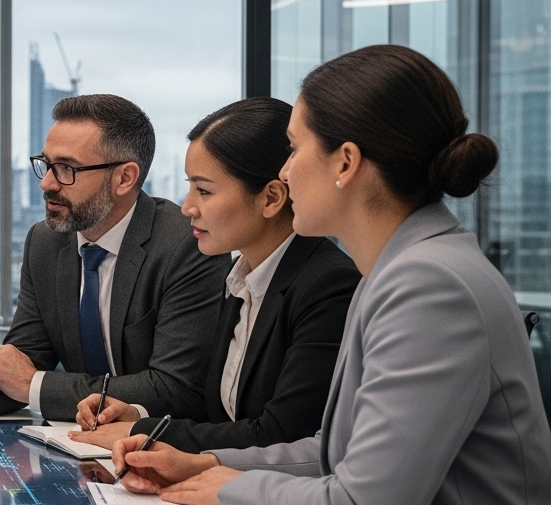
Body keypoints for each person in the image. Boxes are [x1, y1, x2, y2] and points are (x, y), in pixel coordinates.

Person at [110, 45, 551, 505]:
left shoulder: (429, 285)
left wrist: (225, 489)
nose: (286, 170)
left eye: (294, 149)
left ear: (345, 162)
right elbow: (337, 456)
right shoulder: (396, 269)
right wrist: (207, 465)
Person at [0, 94, 229, 421]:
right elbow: (22, 361)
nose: (47, 183)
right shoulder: (45, 242)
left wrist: (34, 385)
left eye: (66, 168)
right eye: (46, 164)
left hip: (165, 451)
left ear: (124, 178)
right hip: (76, 447)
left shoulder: (187, 245)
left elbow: (173, 387)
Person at [67, 97, 360, 452]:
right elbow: (215, 409)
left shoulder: (328, 285)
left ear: (271, 198)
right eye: (190, 186)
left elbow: (282, 435)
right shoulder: (242, 280)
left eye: (204, 190)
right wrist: (134, 412)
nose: (188, 206)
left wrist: (143, 432)